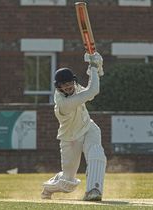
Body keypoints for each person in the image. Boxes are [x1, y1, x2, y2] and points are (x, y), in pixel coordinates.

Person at [41, 52, 107, 201]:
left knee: (96, 153)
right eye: (64, 85)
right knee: (67, 183)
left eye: (70, 82)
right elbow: (93, 91)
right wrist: (94, 69)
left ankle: (93, 190)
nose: (69, 86)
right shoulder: (64, 104)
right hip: (71, 138)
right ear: (59, 87)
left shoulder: (76, 88)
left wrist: (95, 69)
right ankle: (48, 188)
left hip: (88, 127)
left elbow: (90, 89)